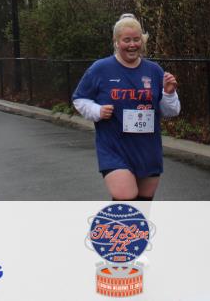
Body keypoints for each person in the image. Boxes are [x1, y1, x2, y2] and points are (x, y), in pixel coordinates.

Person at [71, 13, 181, 201]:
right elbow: (79, 99)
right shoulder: (101, 68)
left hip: (147, 149)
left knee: (143, 206)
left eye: (137, 39)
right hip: (114, 148)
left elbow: (171, 111)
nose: (132, 45)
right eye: (127, 40)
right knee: (126, 197)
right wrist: (98, 111)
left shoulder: (154, 70)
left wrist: (169, 93)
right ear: (116, 42)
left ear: (142, 41)